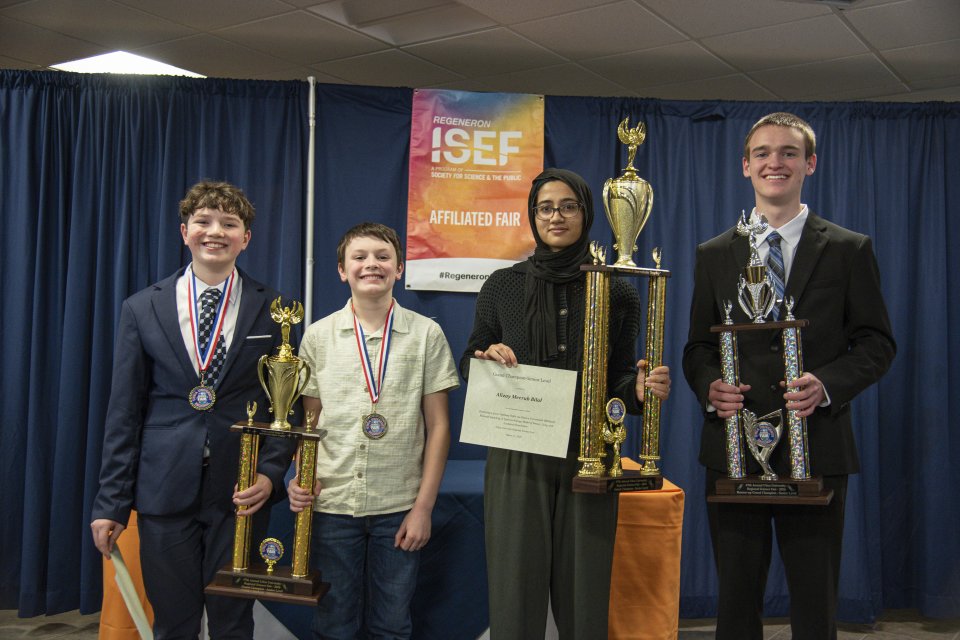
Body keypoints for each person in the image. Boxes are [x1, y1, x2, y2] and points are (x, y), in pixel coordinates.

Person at [682, 112, 896, 639]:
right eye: (762, 153)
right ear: (745, 167)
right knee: (734, 601)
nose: (774, 162)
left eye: (788, 153)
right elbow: (697, 348)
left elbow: (876, 343)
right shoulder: (714, 254)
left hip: (817, 445)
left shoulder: (849, 249)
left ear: (810, 164)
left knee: (815, 598)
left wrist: (828, 384)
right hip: (732, 449)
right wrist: (709, 386)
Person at [460, 168, 671, 639]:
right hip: (517, 456)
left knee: (586, 593)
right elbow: (469, 359)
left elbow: (618, 375)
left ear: (586, 213)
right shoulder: (501, 285)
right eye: (545, 207)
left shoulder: (616, 289)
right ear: (533, 215)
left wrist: (636, 391)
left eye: (568, 206)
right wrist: (486, 355)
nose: (556, 216)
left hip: (590, 457)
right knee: (515, 594)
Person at [90, 180, 296, 639]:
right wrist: (111, 503)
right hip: (163, 491)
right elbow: (124, 413)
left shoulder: (277, 310)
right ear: (185, 232)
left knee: (232, 621)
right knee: (174, 622)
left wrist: (270, 472)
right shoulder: (142, 308)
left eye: (229, 223)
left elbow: (286, 407)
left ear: (246, 238)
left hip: (240, 491)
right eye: (203, 221)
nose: (215, 231)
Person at [287, 222, 460, 639]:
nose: (371, 265)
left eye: (383, 257)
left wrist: (422, 508)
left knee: (392, 623)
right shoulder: (317, 337)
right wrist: (299, 476)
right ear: (341, 271)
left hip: (398, 505)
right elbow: (307, 423)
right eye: (359, 257)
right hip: (332, 504)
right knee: (334, 622)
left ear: (399, 268)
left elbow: (438, 426)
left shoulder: (425, 334)